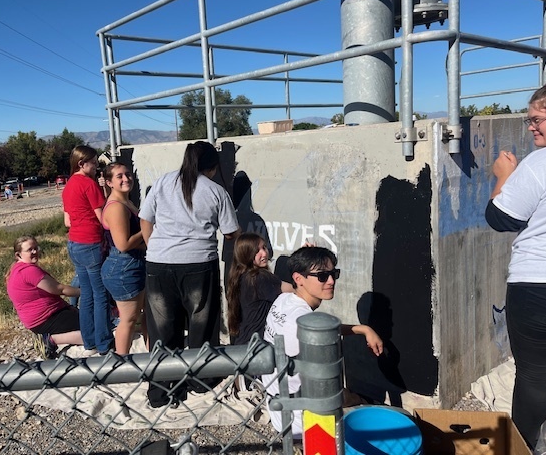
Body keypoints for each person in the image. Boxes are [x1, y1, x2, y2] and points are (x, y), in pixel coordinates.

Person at [139, 140, 241, 407]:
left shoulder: (163, 182)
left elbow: (145, 220)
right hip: (198, 265)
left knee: (161, 329)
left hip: (158, 265)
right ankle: (199, 381)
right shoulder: (216, 191)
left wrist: (156, 249)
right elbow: (231, 232)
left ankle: (160, 391)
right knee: (201, 325)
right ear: (212, 165)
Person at [485, 82, 546, 448]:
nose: (530, 127)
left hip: (539, 286)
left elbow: (500, 217)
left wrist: (503, 176)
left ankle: (524, 446)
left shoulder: (541, 162)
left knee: (535, 376)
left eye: (537, 119)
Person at [261, 246, 383, 438]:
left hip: (279, 407)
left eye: (334, 273)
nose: (331, 281)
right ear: (299, 279)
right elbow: (329, 391)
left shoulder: (283, 300)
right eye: (322, 276)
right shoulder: (299, 325)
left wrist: (363, 329)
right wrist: (358, 400)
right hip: (307, 422)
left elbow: (322, 328)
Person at [62, 145, 114, 356]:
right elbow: (105, 220)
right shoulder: (88, 185)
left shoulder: (68, 186)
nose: (96, 167)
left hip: (74, 243)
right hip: (91, 243)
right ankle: (103, 342)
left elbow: (67, 221)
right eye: (93, 163)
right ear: (82, 164)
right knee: (100, 294)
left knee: (87, 294)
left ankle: (89, 340)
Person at [6, 235, 83, 359]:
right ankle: (50, 339)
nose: (35, 252)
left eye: (36, 248)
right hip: (46, 318)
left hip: (36, 319)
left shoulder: (16, 269)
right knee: (94, 331)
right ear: (18, 255)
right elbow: (60, 289)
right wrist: (85, 292)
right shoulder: (28, 271)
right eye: (29, 250)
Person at [101, 162, 147, 355]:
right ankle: (122, 363)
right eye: (119, 176)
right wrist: (147, 227)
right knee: (128, 319)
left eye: (128, 174)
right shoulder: (116, 207)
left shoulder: (126, 201)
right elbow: (123, 244)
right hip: (123, 268)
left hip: (132, 264)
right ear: (109, 182)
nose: (126, 179)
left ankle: (152, 355)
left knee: (145, 314)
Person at [226, 232, 292, 346]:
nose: (264, 253)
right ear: (246, 254)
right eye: (257, 251)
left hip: (242, 343)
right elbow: (295, 290)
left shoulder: (240, 274)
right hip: (257, 346)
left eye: (264, 247)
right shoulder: (259, 277)